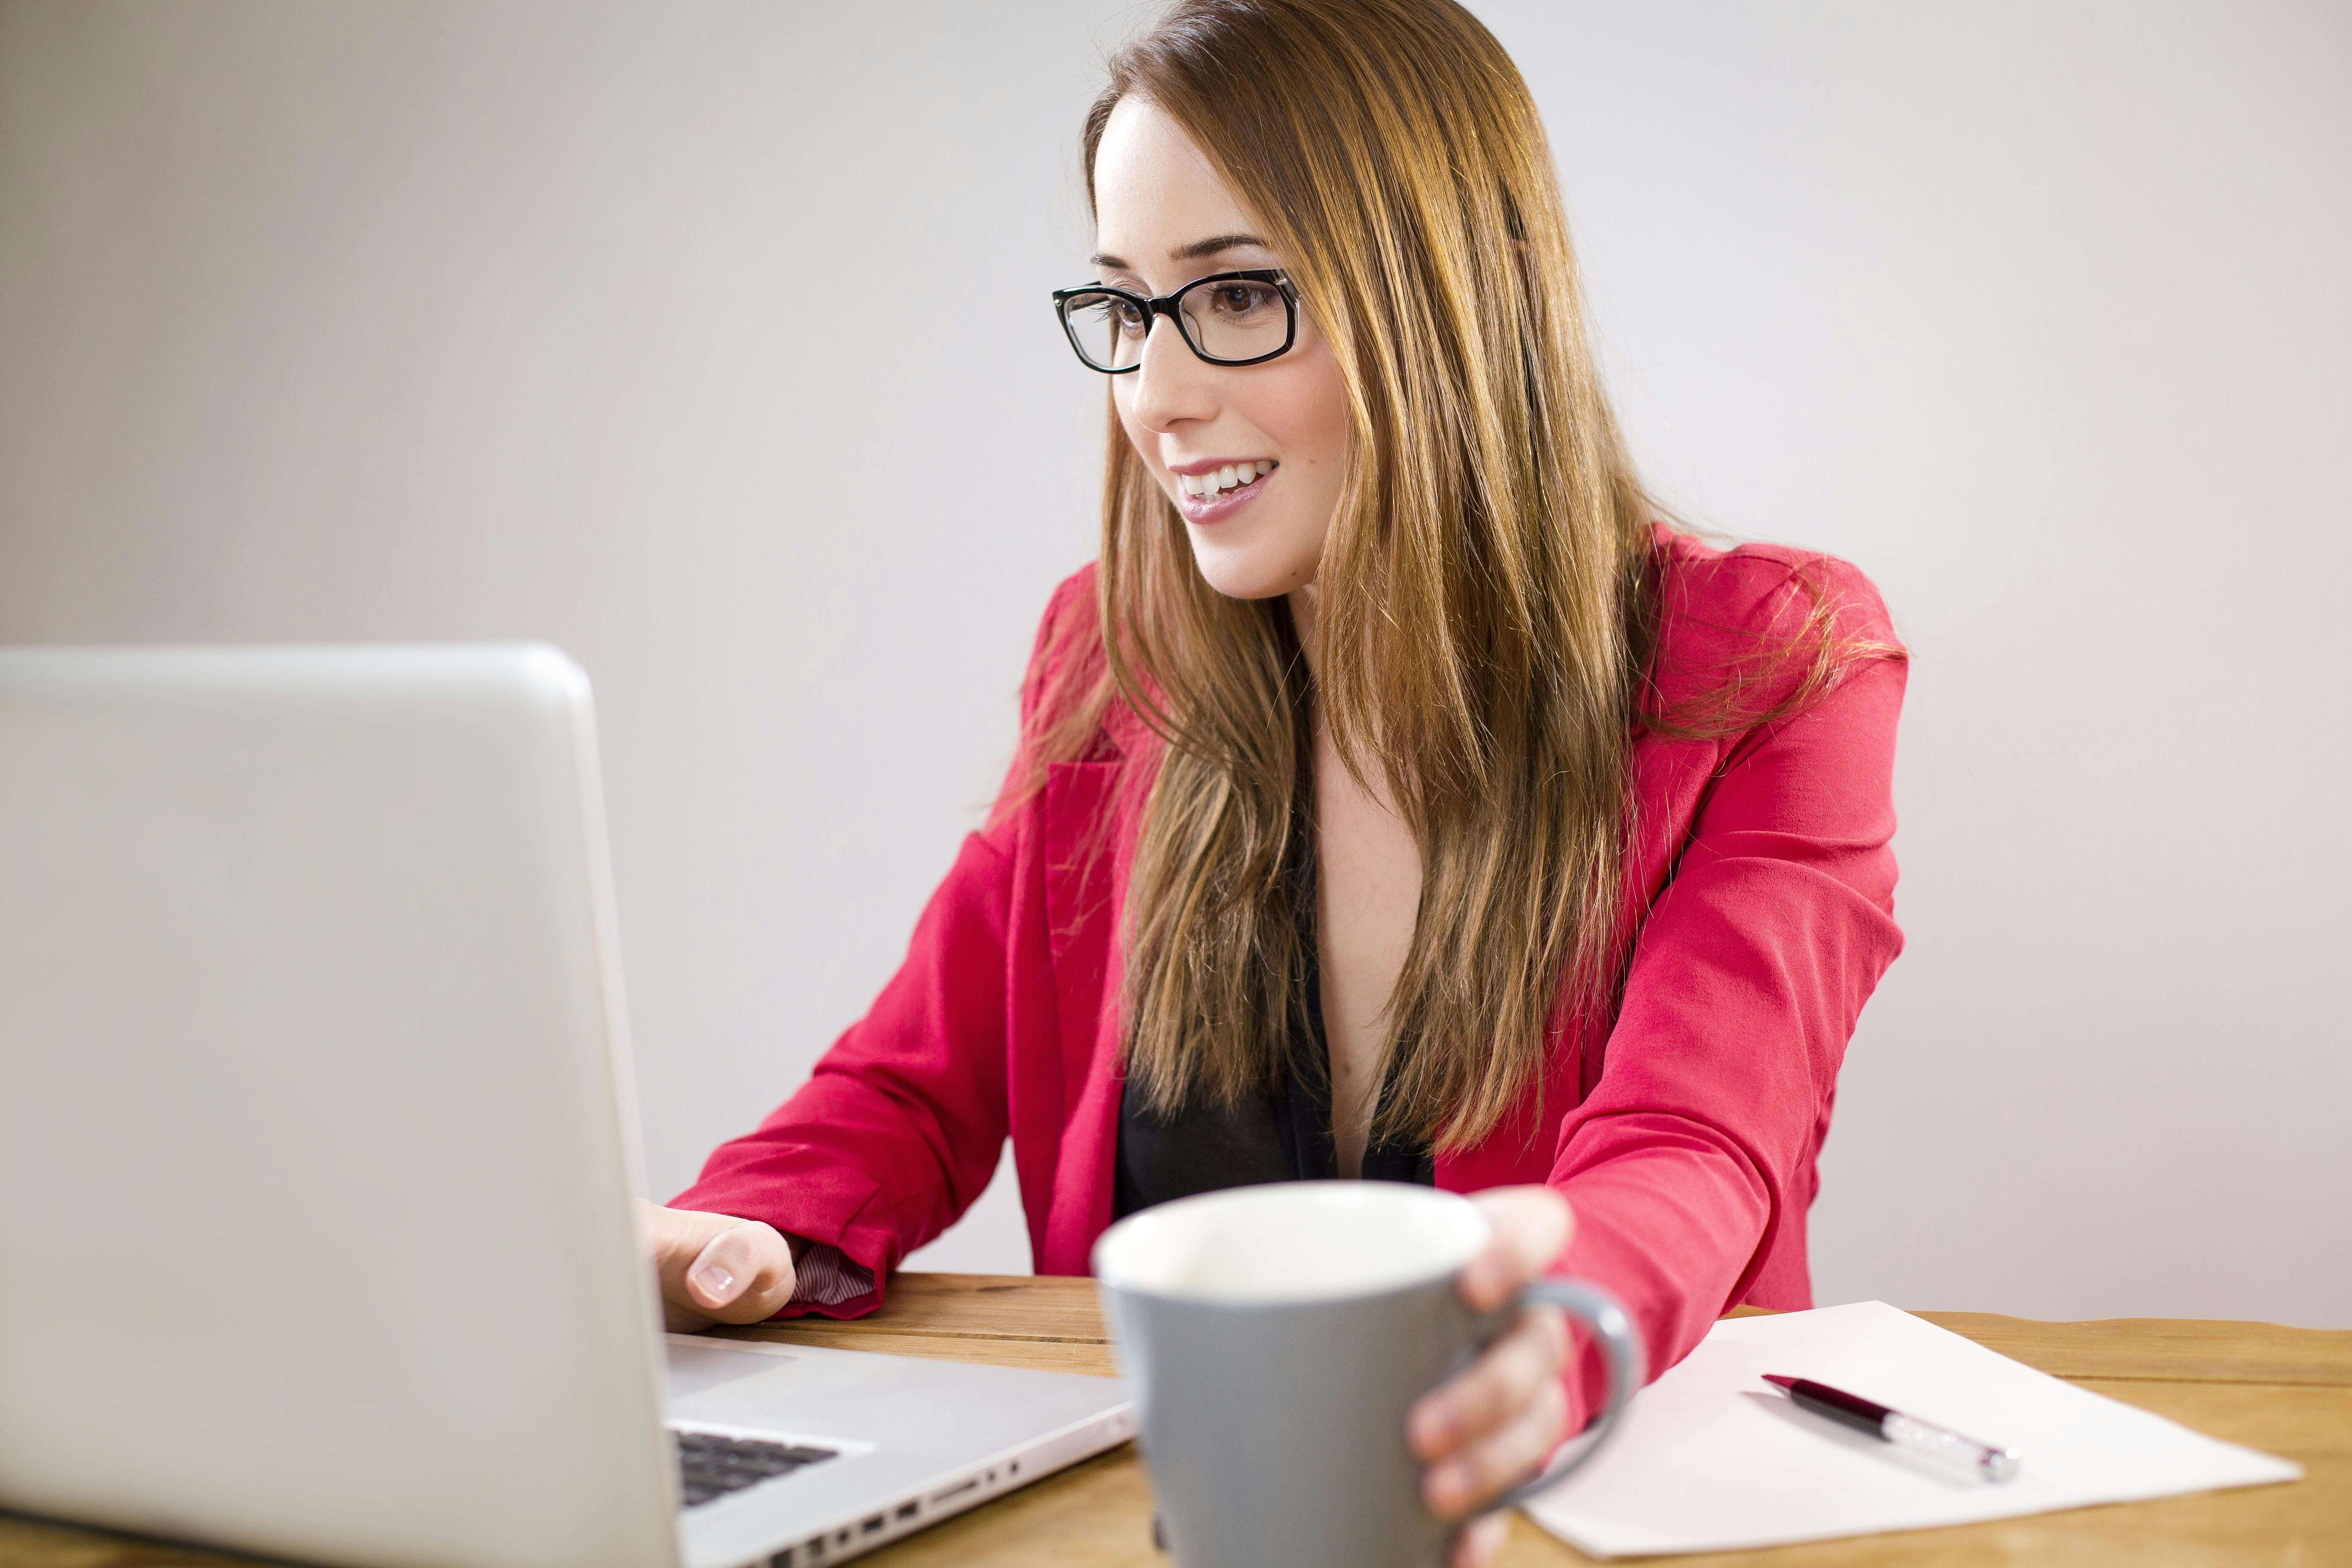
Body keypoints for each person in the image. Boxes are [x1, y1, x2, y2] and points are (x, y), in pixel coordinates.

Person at [649, 0, 1905, 1560]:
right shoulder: (1111, 661)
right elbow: (907, 1086)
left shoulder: (1768, 659)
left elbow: (1697, 1143)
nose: (1158, 397)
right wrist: (726, 1233)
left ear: (1445, 298)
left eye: (1238, 294)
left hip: (1566, 1522)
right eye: (1127, 307)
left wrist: (1545, 1326)